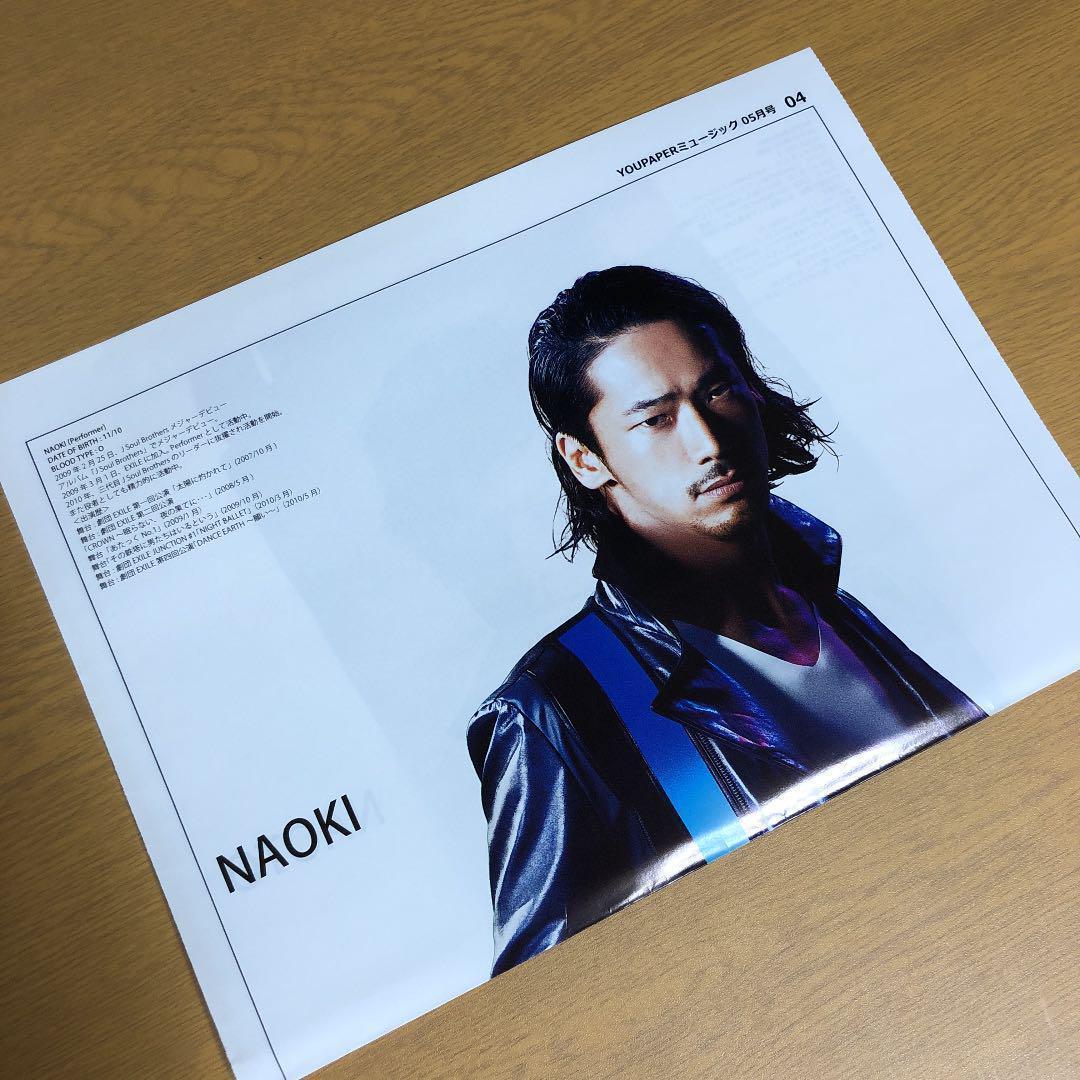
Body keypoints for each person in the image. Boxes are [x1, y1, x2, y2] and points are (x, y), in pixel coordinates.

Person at [467, 265, 986, 977]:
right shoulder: (554, 709)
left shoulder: (829, 603)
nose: (708, 440)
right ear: (585, 458)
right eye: (655, 419)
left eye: (716, 391)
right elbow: (548, 1001)